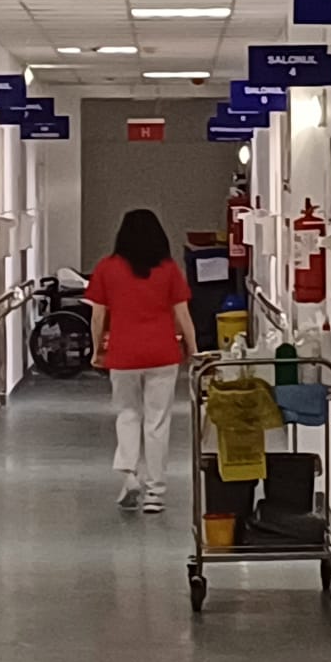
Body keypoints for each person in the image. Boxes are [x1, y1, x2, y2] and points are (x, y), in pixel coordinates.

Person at [85, 209, 200, 513]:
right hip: (163, 354)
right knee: (157, 421)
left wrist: (96, 351)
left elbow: (97, 317)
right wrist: (194, 349)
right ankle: (155, 493)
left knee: (127, 414)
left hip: (123, 354)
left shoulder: (107, 268)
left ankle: (129, 475)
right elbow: (183, 314)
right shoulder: (168, 269)